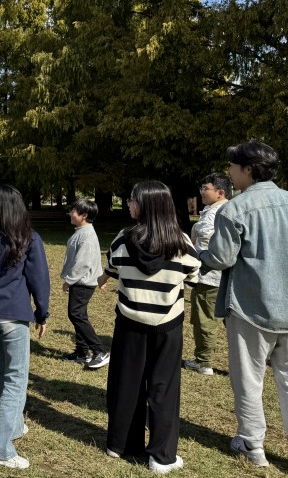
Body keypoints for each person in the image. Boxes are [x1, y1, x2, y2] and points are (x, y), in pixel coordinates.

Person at [99, 181, 200, 474]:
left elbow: (113, 269)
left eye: (132, 200)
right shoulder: (183, 242)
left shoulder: (121, 240)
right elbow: (192, 278)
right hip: (168, 325)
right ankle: (162, 455)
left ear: (145, 205)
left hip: (129, 322)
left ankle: (120, 444)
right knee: (164, 388)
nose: (128, 204)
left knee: (125, 384)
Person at [199, 141, 288, 468]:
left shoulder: (235, 209)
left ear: (248, 169)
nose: (230, 174)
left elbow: (221, 258)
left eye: (233, 167)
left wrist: (199, 255)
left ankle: (253, 445)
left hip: (251, 307)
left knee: (248, 379)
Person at [0, 185, 49, 469]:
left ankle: (11, 427)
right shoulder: (27, 236)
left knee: (2, 372)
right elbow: (40, 279)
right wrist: (42, 312)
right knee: (15, 379)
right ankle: (0, 447)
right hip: (11, 316)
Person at [183, 173, 230, 376]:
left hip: (211, 276)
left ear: (220, 192)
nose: (201, 192)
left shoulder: (219, 213)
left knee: (205, 319)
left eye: (205, 188)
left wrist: (196, 251)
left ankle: (204, 362)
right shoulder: (215, 210)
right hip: (216, 275)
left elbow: (210, 242)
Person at [61, 198, 107, 369]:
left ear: (84, 215)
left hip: (83, 282)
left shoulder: (86, 235)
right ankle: (81, 352)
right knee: (78, 314)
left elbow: (84, 263)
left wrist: (69, 281)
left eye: (74, 211)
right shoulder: (82, 231)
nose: (71, 213)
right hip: (81, 281)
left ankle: (99, 351)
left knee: (76, 314)